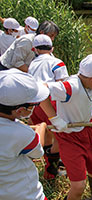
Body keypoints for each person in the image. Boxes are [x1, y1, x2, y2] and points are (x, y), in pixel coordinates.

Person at [44, 54, 92, 200]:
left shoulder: (89, 84)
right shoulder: (71, 86)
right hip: (69, 136)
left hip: (87, 130)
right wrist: (54, 118)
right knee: (78, 186)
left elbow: (84, 103)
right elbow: (41, 92)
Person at [0, 69, 50, 200]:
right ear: (20, 110)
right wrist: (42, 127)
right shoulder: (22, 133)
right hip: (25, 194)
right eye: (35, 104)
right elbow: (37, 151)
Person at [28, 34, 69, 180]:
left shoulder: (32, 64)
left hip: (33, 103)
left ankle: (48, 167)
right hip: (50, 102)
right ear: (52, 48)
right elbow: (63, 87)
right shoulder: (57, 63)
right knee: (60, 137)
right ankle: (51, 171)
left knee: (44, 133)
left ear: (35, 49)